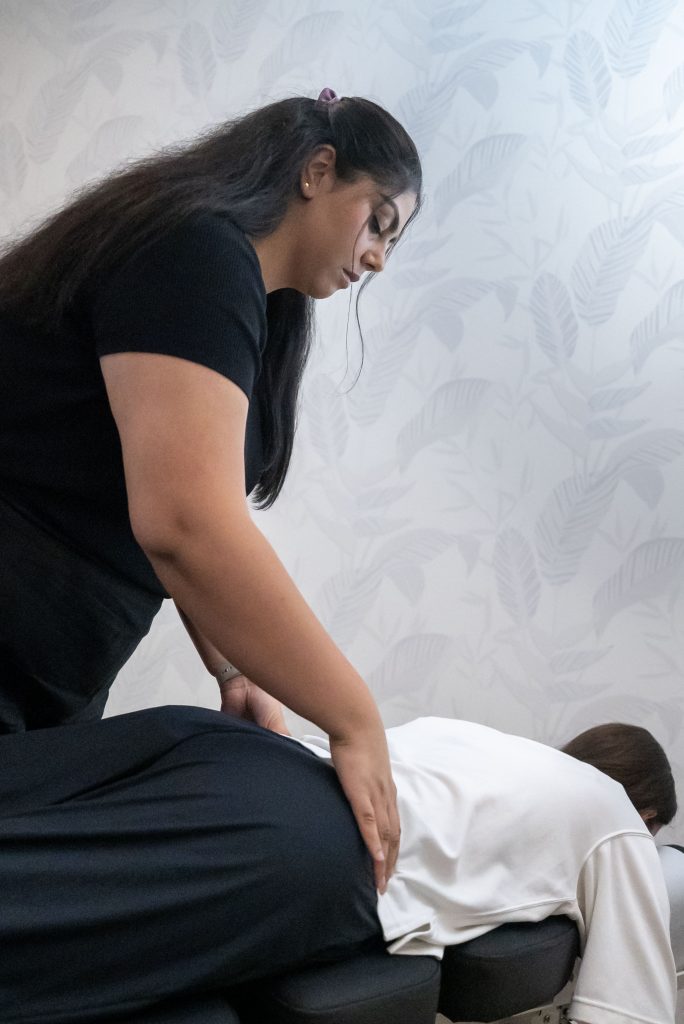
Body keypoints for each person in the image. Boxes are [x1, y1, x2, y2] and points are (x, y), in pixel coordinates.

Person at [0, 89, 422, 890]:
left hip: (53, 672)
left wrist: (237, 672)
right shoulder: (193, 252)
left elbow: (168, 500)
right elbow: (187, 525)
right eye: (379, 222)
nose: (377, 261)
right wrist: (354, 719)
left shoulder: (253, 303)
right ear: (319, 170)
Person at [0, 705, 677, 1024]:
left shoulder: (483, 739)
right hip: (302, 842)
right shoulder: (615, 816)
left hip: (233, 745)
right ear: (647, 816)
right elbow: (629, 1012)